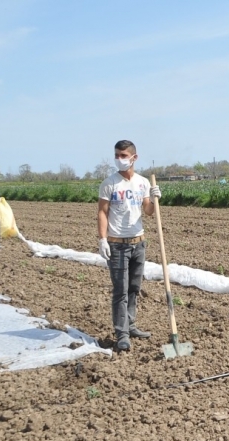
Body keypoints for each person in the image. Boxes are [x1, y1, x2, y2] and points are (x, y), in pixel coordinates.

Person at [97, 140, 162, 351]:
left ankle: (131, 325)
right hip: (117, 245)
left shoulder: (142, 182)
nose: (119, 159)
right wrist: (102, 239)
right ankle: (122, 333)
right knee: (120, 291)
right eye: (117, 155)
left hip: (138, 242)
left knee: (134, 287)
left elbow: (149, 211)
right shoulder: (109, 183)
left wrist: (154, 199)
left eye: (123, 155)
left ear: (134, 157)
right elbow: (102, 212)